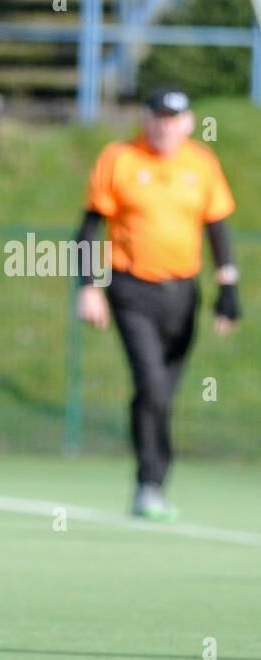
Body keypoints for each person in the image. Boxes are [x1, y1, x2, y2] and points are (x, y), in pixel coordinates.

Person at [75, 86, 241, 519]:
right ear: (146, 119)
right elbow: (90, 228)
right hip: (131, 289)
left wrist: (228, 289)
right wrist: (89, 286)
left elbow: (218, 228)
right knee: (151, 385)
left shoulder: (201, 163)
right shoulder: (120, 158)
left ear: (187, 123)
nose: (165, 126)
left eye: (174, 118)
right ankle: (150, 483)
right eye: (158, 117)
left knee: (161, 393)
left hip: (182, 293)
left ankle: (152, 481)